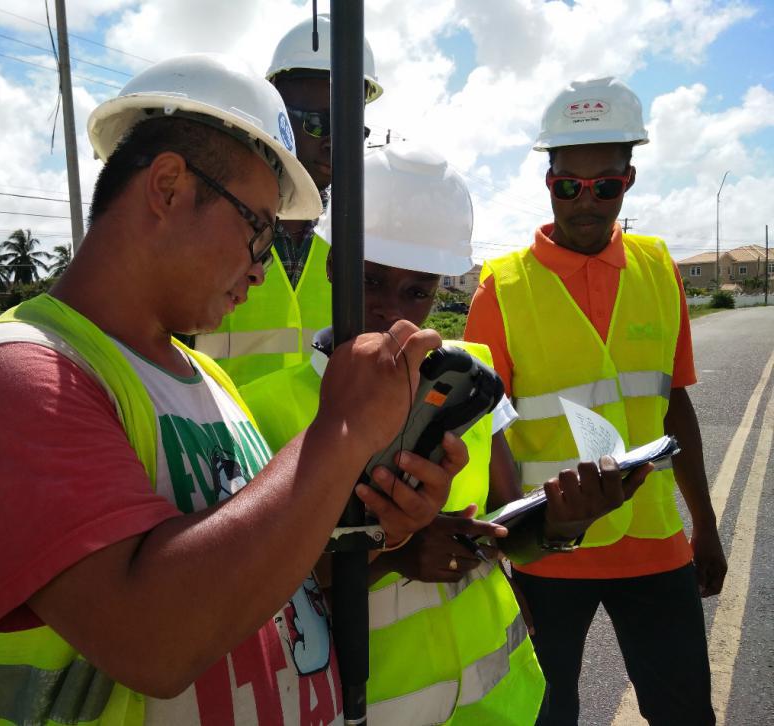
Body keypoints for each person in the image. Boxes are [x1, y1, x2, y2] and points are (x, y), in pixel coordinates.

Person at [0, 54, 459, 726]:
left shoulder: (207, 379)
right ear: (169, 187)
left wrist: (381, 534)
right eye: (258, 230)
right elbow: (153, 642)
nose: (263, 271)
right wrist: (340, 433)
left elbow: (261, 592)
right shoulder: (18, 376)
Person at [240, 143, 651, 725]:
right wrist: (393, 552)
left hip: (506, 704)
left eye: (417, 291)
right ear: (333, 269)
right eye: (371, 283)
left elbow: (511, 532)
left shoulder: (475, 380)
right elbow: (258, 602)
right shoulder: (269, 409)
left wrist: (565, 522)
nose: (393, 315)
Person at [464, 77, 727, 726]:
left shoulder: (659, 267)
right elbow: (481, 434)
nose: (586, 201)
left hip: (653, 540)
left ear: (629, 180)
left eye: (605, 185)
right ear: (547, 181)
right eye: (568, 185)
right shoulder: (501, 288)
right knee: (543, 716)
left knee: (686, 712)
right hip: (546, 552)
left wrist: (707, 525)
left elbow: (675, 404)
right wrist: (502, 553)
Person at [191, 13, 384, 386]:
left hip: (331, 444)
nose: (335, 142)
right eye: (317, 123)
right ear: (276, 111)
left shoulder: (364, 238)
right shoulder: (213, 224)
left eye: (350, 127)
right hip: (225, 443)